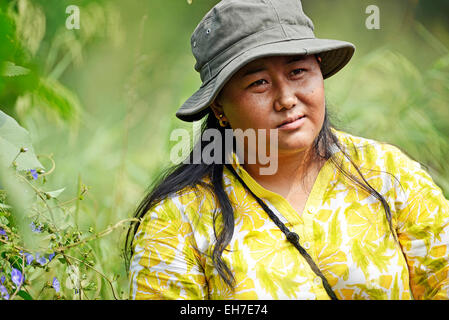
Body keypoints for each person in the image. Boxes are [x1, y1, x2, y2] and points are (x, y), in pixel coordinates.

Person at [126, 0, 449, 300]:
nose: (286, 99)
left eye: (297, 72)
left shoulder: (387, 172)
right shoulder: (178, 219)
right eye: (259, 83)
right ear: (219, 106)